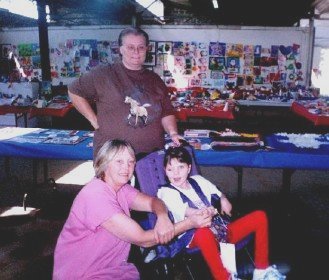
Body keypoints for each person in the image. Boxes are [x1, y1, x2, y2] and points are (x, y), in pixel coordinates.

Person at [53, 139, 212, 279]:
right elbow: (143, 239)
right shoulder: (95, 196)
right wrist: (190, 223)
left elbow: (154, 201)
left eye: (130, 162)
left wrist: (163, 217)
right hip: (83, 273)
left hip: (112, 269)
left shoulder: (120, 188)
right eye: (119, 162)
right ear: (104, 163)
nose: (126, 168)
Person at [157, 146, 286, 280]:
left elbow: (218, 192)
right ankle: (224, 277)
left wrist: (223, 199)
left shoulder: (198, 180)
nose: (175, 173)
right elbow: (185, 210)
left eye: (181, 167)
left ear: (189, 168)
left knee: (259, 216)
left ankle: (262, 271)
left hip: (220, 230)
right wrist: (203, 212)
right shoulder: (166, 192)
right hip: (193, 236)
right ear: (165, 171)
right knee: (203, 233)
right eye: (170, 169)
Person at [68, 27, 181, 158]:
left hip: (152, 156)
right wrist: (94, 120)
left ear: (146, 49)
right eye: (130, 47)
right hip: (113, 157)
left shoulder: (155, 79)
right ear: (121, 49)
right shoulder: (103, 74)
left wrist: (173, 133)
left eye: (141, 47)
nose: (136, 52)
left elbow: (166, 112)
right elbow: (74, 90)